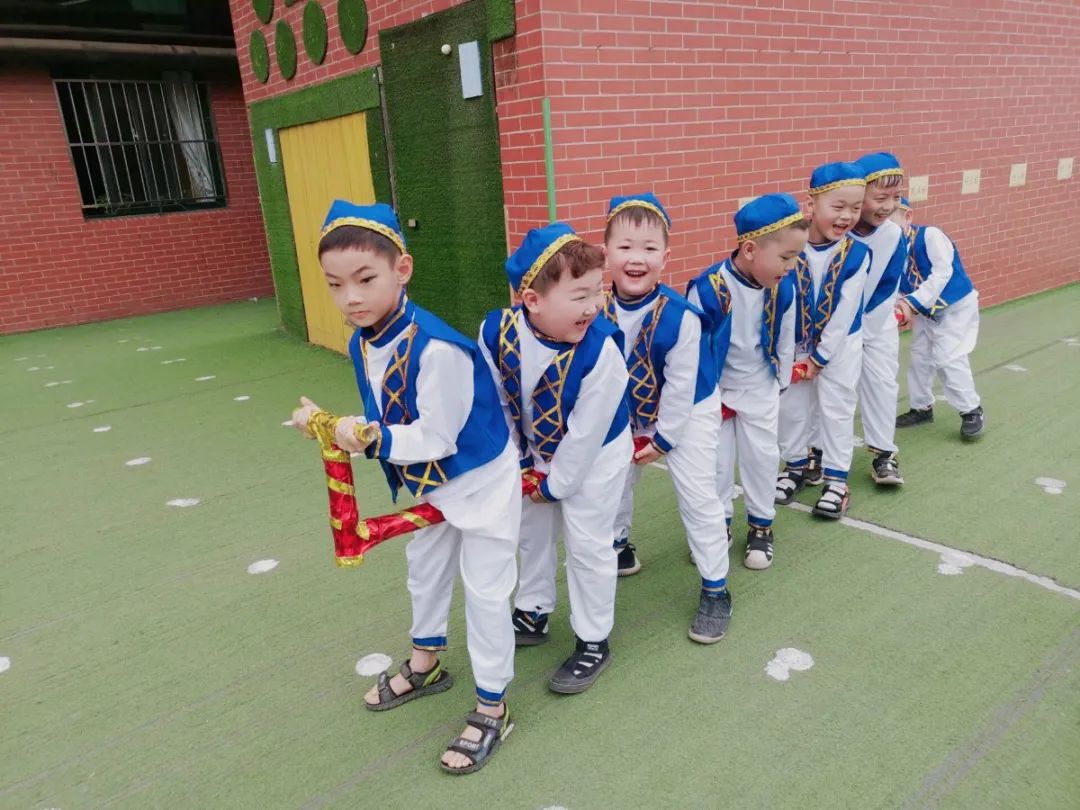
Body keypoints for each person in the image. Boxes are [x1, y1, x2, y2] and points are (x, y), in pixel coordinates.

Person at [291, 200, 520, 774]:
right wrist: (332, 424)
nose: (351, 298)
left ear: (403, 269)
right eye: (335, 285)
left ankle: (493, 706)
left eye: (366, 279)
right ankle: (427, 664)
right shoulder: (362, 340)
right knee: (425, 564)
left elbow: (438, 436)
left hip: (481, 479)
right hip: (434, 483)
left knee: (488, 591)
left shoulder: (437, 348)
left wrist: (363, 438)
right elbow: (387, 416)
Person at [478, 222, 632, 692]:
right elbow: (498, 401)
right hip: (532, 452)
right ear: (533, 301)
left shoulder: (602, 349)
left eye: (597, 293)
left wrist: (553, 484)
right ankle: (535, 609)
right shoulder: (494, 330)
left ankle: (593, 638)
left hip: (597, 456)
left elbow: (586, 435)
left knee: (588, 545)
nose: (594, 307)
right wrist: (518, 460)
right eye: (579, 296)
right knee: (531, 533)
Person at [603, 192, 732, 642]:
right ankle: (619, 547)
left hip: (687, 411)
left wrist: (661, 440)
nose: (636, 258)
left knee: (698, 495)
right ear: (605, 252)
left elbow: (679, 390)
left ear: (665, 257)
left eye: (649, 249)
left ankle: (716, 588)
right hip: (627, 411)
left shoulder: (682, 317)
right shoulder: (594, 310)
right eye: (625, 247)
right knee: (611, 483)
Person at [689, 193, 804, 568]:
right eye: (785, 257)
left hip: (759, 386)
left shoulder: (785, 287)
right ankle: (717, 524)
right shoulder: (707, 287)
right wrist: (704, 396)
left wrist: (781, 381)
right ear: (751, 249)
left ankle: (761, 525)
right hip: (716, 391)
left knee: (761, 457)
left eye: (795, 257)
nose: (791, 266)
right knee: (717, 463)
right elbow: (695, 348)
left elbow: (786, 336)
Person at [775, 163, 871, 519]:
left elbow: (845, 313)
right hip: (795, 345)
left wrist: (821, 356)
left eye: (855, 207)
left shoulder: (858, 254)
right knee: (792, 407)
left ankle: (836, 481)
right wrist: (789, 355)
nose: (847, 215)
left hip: (840, 346)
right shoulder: (790, 247)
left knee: (836, 408)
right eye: (838, 206)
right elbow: (780, 300)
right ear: (811, 204)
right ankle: (797, 467)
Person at [891, 198, 985, 439]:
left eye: (891, 222)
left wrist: (910, 303)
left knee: (948, 356)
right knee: (920, 356)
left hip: (955, 306)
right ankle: (921, 407)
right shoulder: (891, 251)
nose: (887, 230)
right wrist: (896, 307)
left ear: (907, 216)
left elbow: (942, 272)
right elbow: (897, 287)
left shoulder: (929, 236)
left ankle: (971, 409)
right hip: (926, 310)